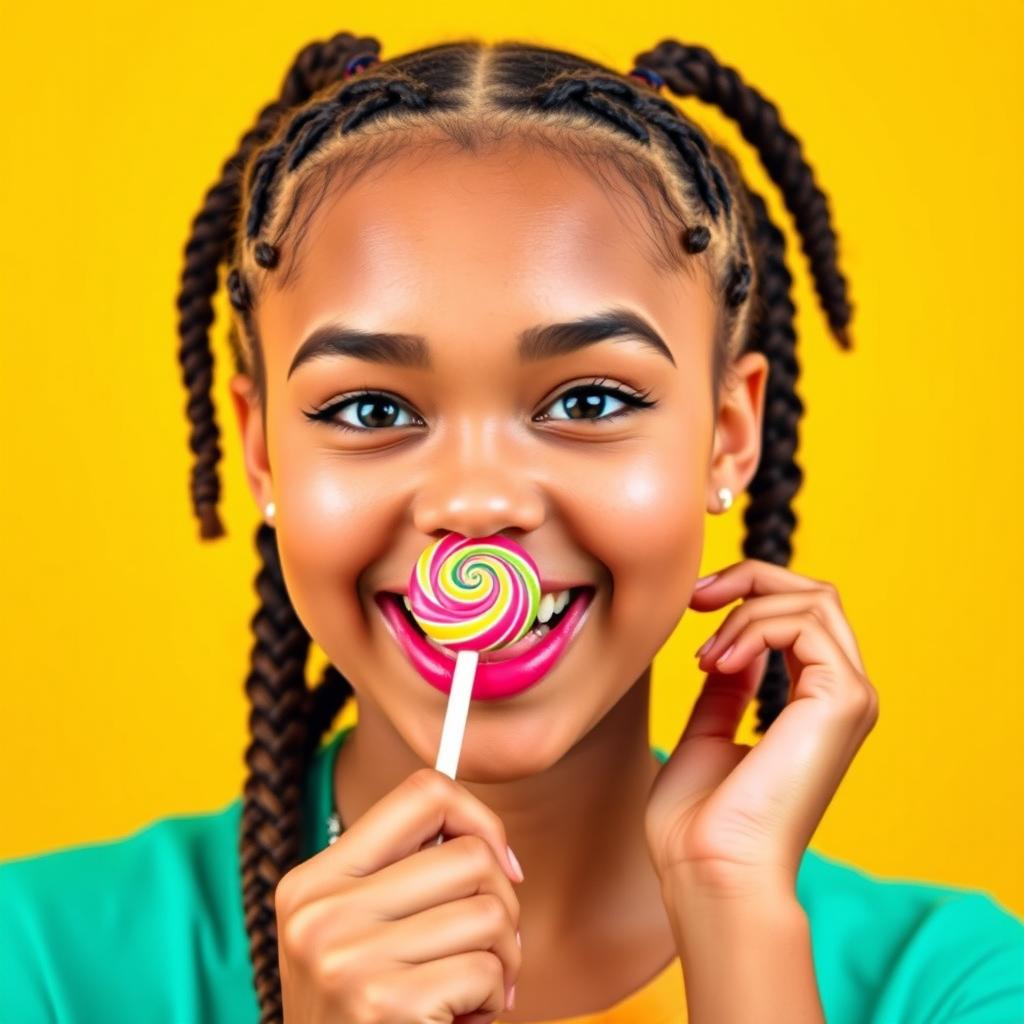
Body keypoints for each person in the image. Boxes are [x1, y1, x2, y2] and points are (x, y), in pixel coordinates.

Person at [2, 33, 1022, 1024]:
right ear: (262, 450)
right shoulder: (39, 966)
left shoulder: (951, 983)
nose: (479, 500)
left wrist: (736, 917)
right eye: (370, 409)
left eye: (586, 401)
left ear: (725, 435)